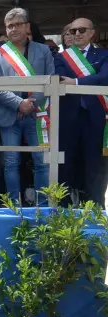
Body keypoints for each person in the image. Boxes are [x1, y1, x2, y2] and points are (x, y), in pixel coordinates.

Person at [0, 8, 53, 205]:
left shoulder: (43, 50)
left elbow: (50, 80)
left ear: (27, 27)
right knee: (11, 162)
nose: (13, 29)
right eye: (9, 26)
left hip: (37, 113)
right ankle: (14, 206)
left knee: (42, 162)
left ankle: (42, 206)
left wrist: (31, 105)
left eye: (17, 25)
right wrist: (19, 104)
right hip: (8, 114)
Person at [56, 18, 108, 206]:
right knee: (66, 163)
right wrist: (90, 79)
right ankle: (64, 209)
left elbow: (105, 77)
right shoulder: (61, 57)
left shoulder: (104, 54)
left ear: (92, 32)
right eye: (73, 30)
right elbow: (61, 79)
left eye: (82, 30)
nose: (77, 34)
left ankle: (95, 207)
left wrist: (76, 82)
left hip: (96, 116)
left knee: (95, 164)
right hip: (69, 117)